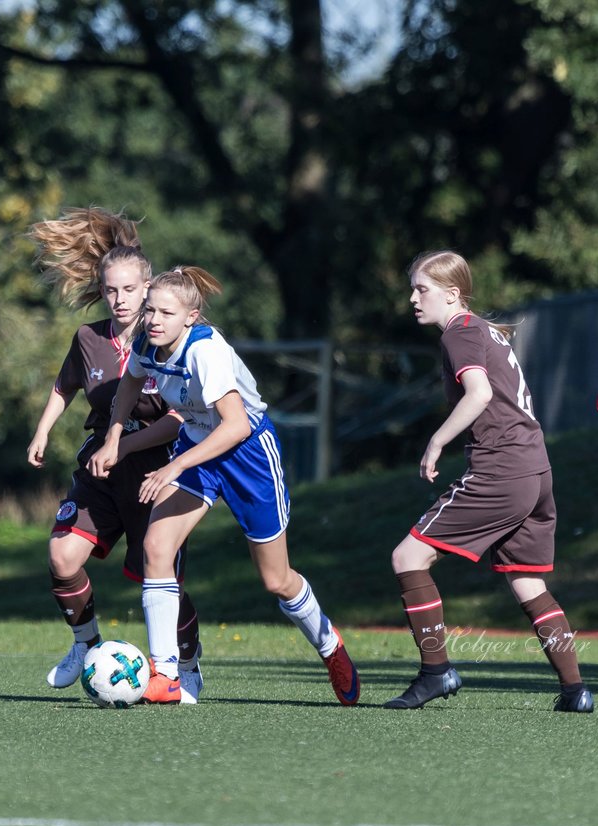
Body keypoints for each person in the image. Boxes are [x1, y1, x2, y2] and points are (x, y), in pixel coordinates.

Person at [88, 266, 359, 706]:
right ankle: (167, 674)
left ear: (191, 317)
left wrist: (173, 468)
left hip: (247, 454)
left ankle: (331, 647)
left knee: (276, 579)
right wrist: (115, 439)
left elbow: (234, 428)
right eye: (150, 310)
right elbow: (129, 386)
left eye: (166, 313)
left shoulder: (206, 352)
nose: (154, 320)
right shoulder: (146, 343)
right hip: (199, 450)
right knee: (156, 548)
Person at [383, 249, 594, 713]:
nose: (413, 298)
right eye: (413, 288)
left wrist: (436, 442)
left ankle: (436, 673)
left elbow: (478, 393)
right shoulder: (484, 331)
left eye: (423, 289)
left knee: (408, 556)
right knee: (527, 583)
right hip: (536, 470)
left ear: (452, 294)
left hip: (502, 469)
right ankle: (576, 690)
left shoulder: (460, 333)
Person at [26, 208, 204, 703]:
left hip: (159, 471)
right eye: (111, 291)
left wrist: (121, 445)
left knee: (161, 576)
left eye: (130, 290)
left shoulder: (172, 340)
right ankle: (86, 645)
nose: (120, 299)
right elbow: (65, 386)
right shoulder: (88, 338)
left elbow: (180, 419)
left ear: (149, 286)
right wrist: (43, 431)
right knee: (62, 556)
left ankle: (186, 665)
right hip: (101, 469)